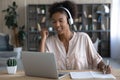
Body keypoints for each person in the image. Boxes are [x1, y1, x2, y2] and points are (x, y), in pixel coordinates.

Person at [39, 1, 111, 74]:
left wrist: (104, 66)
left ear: (69, 21)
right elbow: (41, 65)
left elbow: (97, 60)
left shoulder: (83, 38)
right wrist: (43, 39)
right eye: (54, 22)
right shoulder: (49, 42)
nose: (57, 25)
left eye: (61, 21)